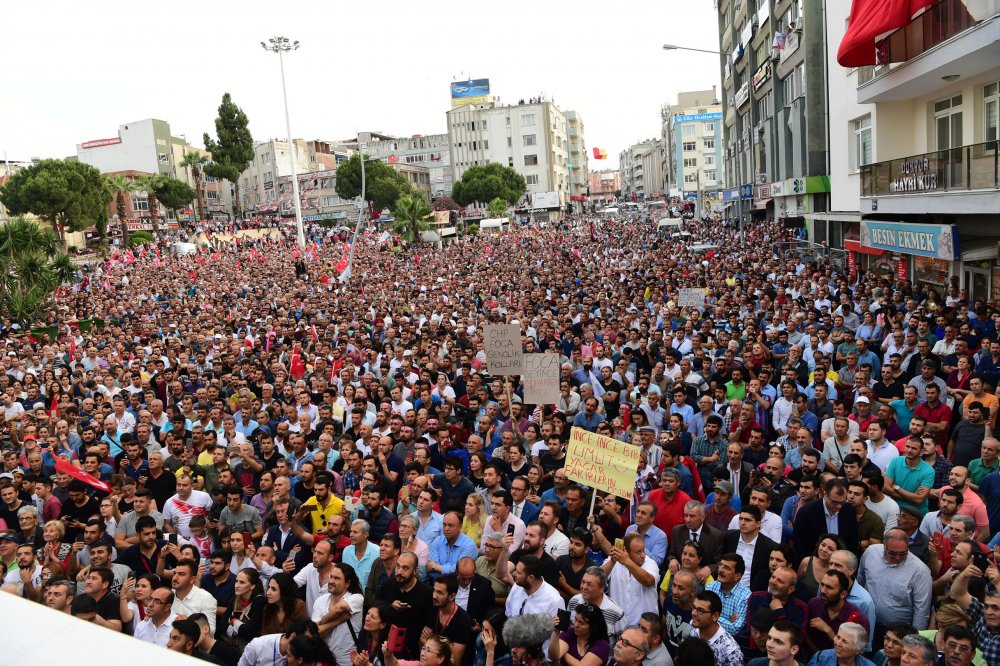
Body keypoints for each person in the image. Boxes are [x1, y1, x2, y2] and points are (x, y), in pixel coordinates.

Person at [857, 529, 933, 636]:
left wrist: (914, 641)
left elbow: (921, 612)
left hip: (899, 635)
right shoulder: (871, 552)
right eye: (892, 554)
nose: (898, 558)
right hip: (867, 623)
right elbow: (860, 581)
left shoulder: (920, 571)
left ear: (908, 547)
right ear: (884, 546)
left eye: (903, 554)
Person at [804, 570, 870, 656]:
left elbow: (856, 652)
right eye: (822, 585)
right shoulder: (814, 604)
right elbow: (804, 634)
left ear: (843, 594)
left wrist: (829, 631)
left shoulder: (858, 619)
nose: (823, 591)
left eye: (829, 587)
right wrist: (819, 655)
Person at [792, 479, 858, 561]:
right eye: (834, 502)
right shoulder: (807, 512)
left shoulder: (849, 510)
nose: (839, 506)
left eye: (842, 502)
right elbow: (800, 545)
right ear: (825, 494)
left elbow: (852, 542)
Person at [313, 562, 364, 666]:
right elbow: (315, 633)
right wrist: (337, 621)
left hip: (348, 660)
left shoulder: (356, 598)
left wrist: (321, 623)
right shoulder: (320, 601)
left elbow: (338, 609)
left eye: (336, 578)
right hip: (325, 660)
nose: (331, 581)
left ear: (347, 583)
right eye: (330, 577)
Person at [948, 562, 1000, 665]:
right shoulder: (983, 617)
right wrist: (964, 575)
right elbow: (957, 593)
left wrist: (998, 583)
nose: (989, 612)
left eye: (995, 608)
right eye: (986, 606)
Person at [722, 505, 777, 590]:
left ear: (758, 524)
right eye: (740, 519)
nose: (742, 523)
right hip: (726, 586)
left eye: (748, 520)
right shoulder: (728, 537)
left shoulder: (769, 547)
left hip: (751, 591)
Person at [688, 590, 742, 666]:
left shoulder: (730, 650)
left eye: (700, 610)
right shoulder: (693, 625)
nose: (694, 613)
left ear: (715, 616)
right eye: (693, 607)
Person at [547, 601, 611, 666]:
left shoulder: (602, 644)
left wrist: (564, 653)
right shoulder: (570, 632)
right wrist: (556, 632)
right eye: (575, 619)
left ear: (593, 626)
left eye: (581, 622)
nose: (575, 625)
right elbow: (554, 656)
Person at [705, 553, 751, 636]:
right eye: (721, 565)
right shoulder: (711, 587)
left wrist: (709, 615)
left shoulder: (745, 596)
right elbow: (701, 614)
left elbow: (735, 629)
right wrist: (727, 621)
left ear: (737, 576)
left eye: (727, 568)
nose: (721, 570)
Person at [804, 622, 875, 666]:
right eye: (838, 637)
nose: (838, 643)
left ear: (857, 649)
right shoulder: (820, 658)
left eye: (844, 641)